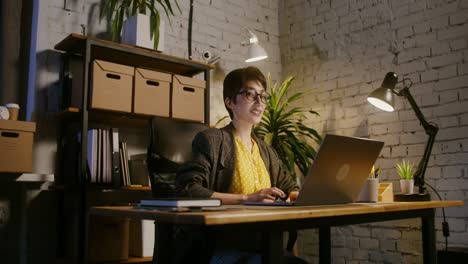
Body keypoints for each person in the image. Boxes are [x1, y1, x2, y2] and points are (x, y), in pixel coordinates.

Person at [175, 66, 303, 263]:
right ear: (230, 102)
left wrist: (298, 195)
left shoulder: (265, 150)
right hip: (223, 247)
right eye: (250, 94)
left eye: (262, 96)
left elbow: (289, 187)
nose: (260, 102)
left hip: (264, 245)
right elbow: (188, 189)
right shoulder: (212, 140)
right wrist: (246, 198)